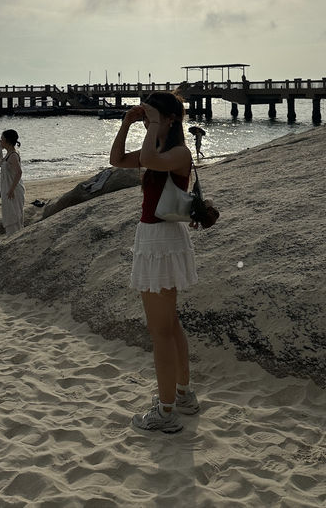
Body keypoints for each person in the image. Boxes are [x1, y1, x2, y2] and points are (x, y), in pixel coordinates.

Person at [109, 91, 199, 434]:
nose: (147, 121)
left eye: (152, 116)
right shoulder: (160, 151)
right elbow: (117, 159)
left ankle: (166, 411)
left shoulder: (178, 153)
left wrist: (152, 125)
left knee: (160, 331)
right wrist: (126, 123)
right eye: (145, 116)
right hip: (155, 239)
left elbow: (147, 157)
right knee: (170, 324)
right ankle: (183, 394)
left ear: (170, 119)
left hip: (161, 240)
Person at [0, 129, 25, 234]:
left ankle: (15, 236)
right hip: (7, 188)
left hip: (13, 189)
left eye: (2, 139)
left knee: (13, 214)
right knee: (9, 213)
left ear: (7, 141)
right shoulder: (8, 153)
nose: (0, 141)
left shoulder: (13, 155)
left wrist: (11, 190)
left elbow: (19, 172)